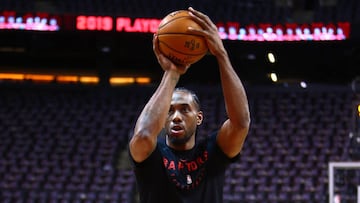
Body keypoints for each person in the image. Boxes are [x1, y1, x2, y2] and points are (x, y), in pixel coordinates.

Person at [129, 7, 250, 203]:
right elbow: (143, 135)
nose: (176, 116)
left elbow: (241, 123)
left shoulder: (213, 152)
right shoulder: (153, 155)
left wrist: (221, 55)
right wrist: (172, 74)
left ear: (199, 117)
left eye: (184, 109)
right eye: (169, 111)